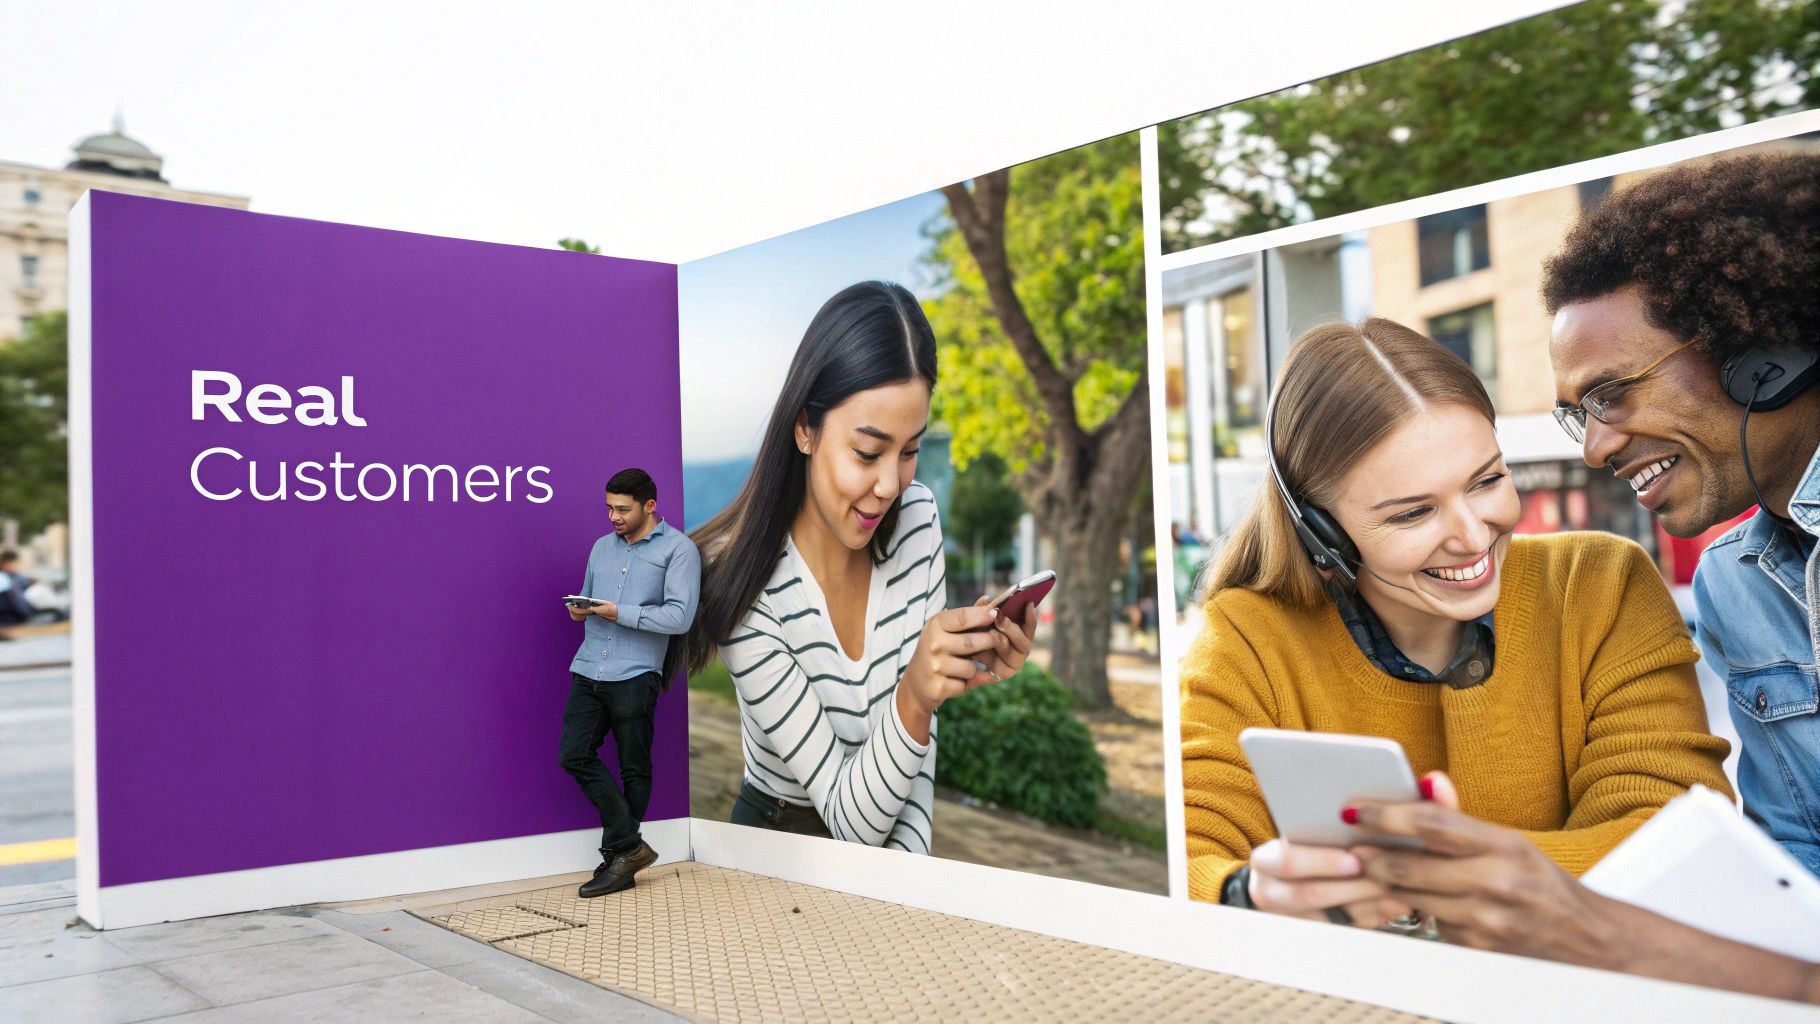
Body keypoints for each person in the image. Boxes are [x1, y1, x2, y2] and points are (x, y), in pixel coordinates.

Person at [1336, 148, 1820, 1004]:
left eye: (1613, 393)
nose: (1596, 447)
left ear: (1763, 353)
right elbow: (1794, 891)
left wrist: (1598, 928)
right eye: (1578, 414)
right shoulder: (1734, 585)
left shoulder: (1611, 585)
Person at [1179, 317, 1731, 930]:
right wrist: (1244, 893)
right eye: (1413, 513)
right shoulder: (1247, 638)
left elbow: (1673, 835)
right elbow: (1191, 857)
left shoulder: (1601, 584)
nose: (1473, 538)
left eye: (1488, 481)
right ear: (1322, 533)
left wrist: (1434, 879)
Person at [685, 280, 1037, 851]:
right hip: (777, 846)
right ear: (805, 428)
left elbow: (917, 766)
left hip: (895, 845)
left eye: (910, 450)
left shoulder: (917, 520)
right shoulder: (740, 581)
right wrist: (918, 693)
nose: (889, 485)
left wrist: (908, 877)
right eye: (868, 453)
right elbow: (850, 822)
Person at [562, 467, 701, 898]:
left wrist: (616, 611)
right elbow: (588, 595)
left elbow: (680, 617)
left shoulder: (679, 550)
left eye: (622, 509)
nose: (613, 517)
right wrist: (581, 609)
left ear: (650, 506)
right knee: (573, 754)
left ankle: (618, 860)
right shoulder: (601, 547)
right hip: (589, 667)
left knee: (634, 768)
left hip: (636, 673)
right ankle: (630, 847)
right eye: (609, 508)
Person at [0, 551, 38, 629]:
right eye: (11, 563)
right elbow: (17, 603)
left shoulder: (17, 577)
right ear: (3, 564)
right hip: (8, 618)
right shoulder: (4, 578)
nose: (14, 566)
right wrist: (26, 614)